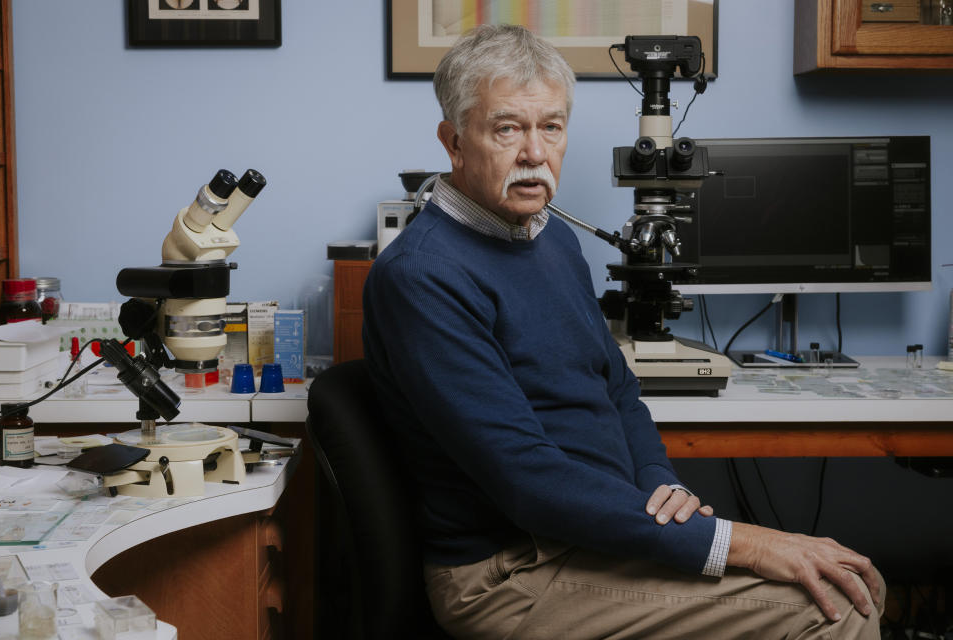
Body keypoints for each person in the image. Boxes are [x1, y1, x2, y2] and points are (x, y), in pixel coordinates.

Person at [362, 24, 884, 639]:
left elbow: (616, 389)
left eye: (551, 127)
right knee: (835, 607)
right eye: (507, 128)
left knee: (829, 582)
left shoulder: (551, 237)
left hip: (593, 535)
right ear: (453, 142)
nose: (534, 152)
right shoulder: (423, 276)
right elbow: (527, 478)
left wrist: (659, 482)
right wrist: (739, 541)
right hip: (513, 575)